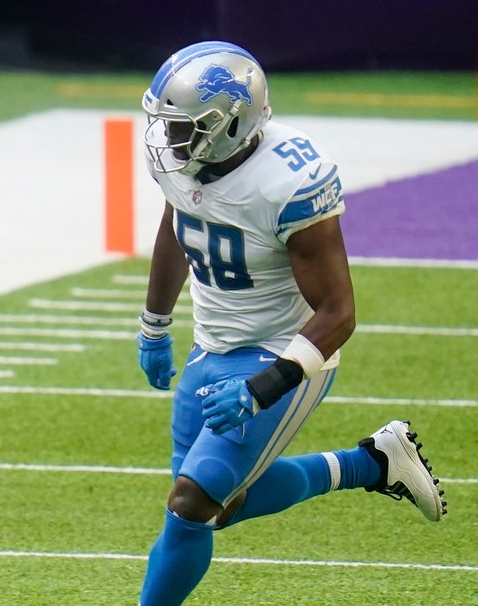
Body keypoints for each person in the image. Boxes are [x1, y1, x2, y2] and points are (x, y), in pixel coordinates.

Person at [133, 41, 446, 605]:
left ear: (231, 125)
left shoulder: (288, 181)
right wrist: (155, 324)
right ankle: (371, 464)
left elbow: (339, 313)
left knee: (190, 506)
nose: (167, 140)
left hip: (283, 347)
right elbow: (176, 225)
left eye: (184, 127)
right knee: (220, 509)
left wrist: (264, 386)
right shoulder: (186, 165)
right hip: (214, 344)